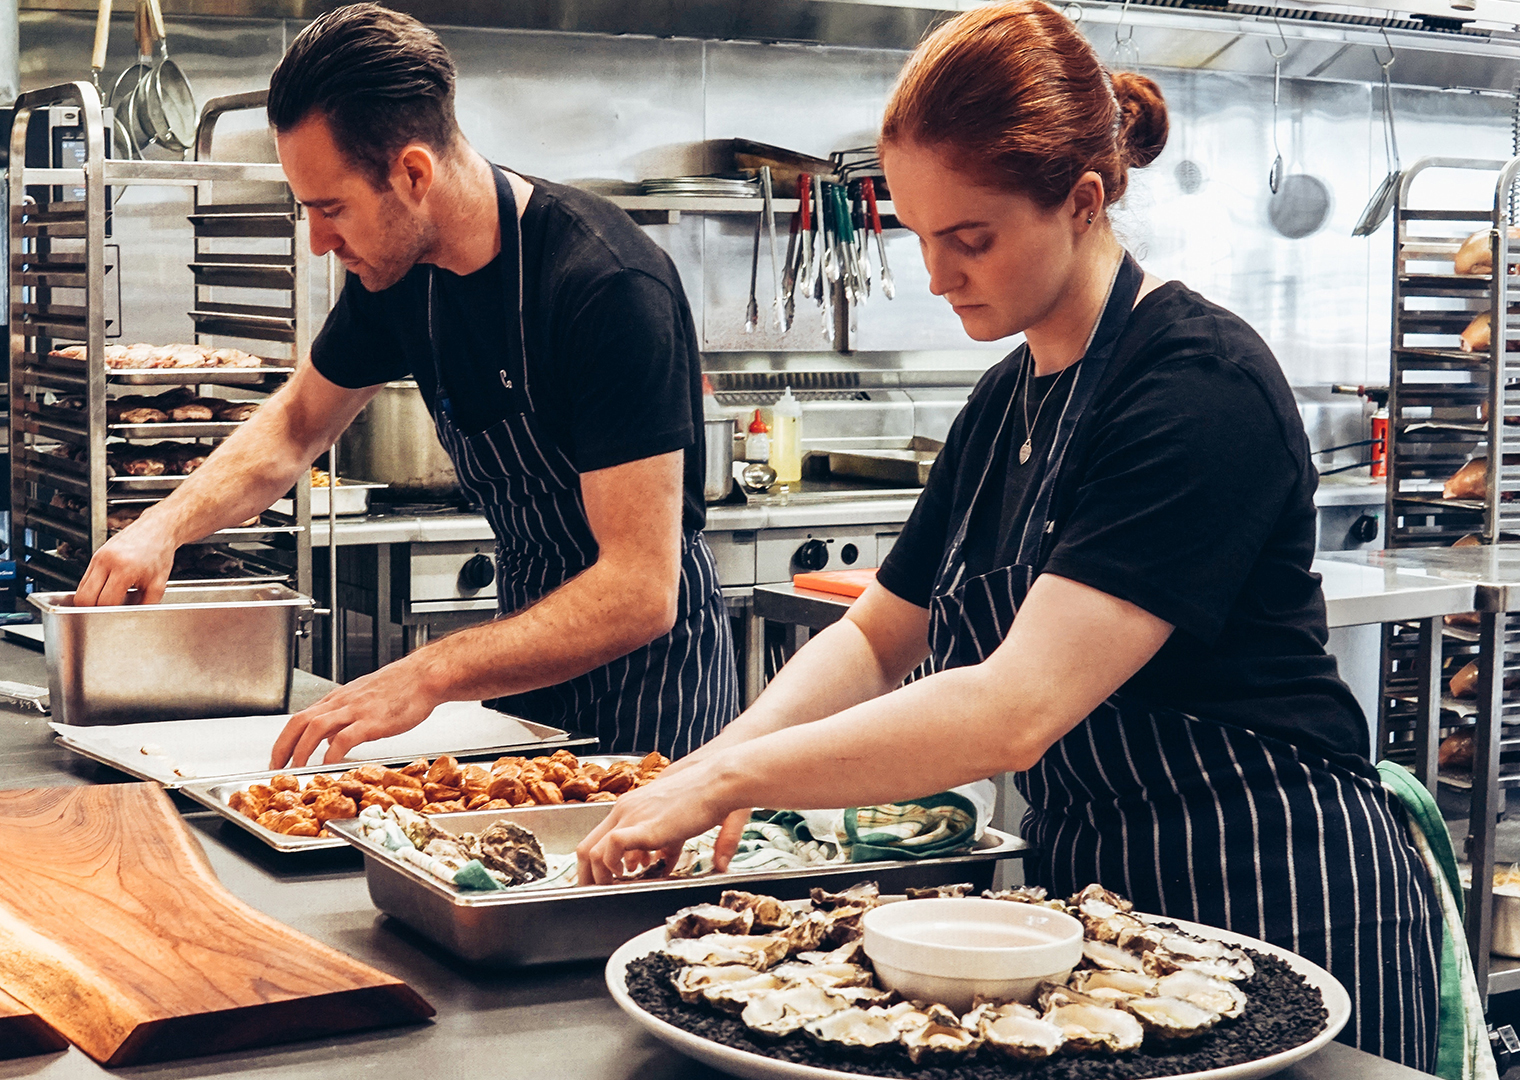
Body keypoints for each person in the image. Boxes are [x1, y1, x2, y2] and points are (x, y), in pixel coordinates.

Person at [574, 2, 1439, 1067]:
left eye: (969, 238)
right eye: (919, 235)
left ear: (1081, 203)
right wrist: (712, 758)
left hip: (1279, 887)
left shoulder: (1194, 385)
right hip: (1099, 915)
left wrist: (728, 784)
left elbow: (1013, 710)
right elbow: (878, 638)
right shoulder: (1004, 401)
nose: (937, 275)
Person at [73, 4, 736, 768]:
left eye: (330, 208)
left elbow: (637, 590)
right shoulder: (400, 277)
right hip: (522, 662)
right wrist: (164, 526)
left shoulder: (604, 286)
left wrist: (427, 673)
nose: (320, 240)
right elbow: (296, 425)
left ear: (413, 173)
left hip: (651, 695)